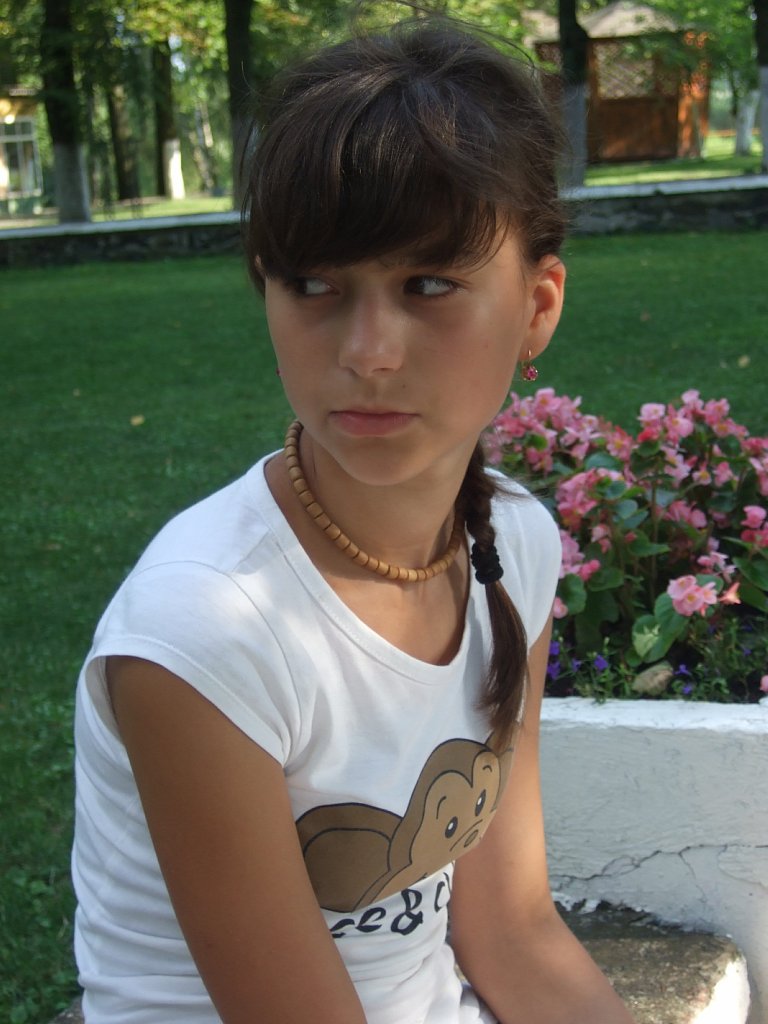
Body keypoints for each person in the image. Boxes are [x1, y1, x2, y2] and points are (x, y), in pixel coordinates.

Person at [72, 15, 636, 1024]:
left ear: (539, 305)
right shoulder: (206, 630)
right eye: (315, 285)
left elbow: (512, 929)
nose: (368, 350)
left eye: (430, 284)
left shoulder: (512, 543)